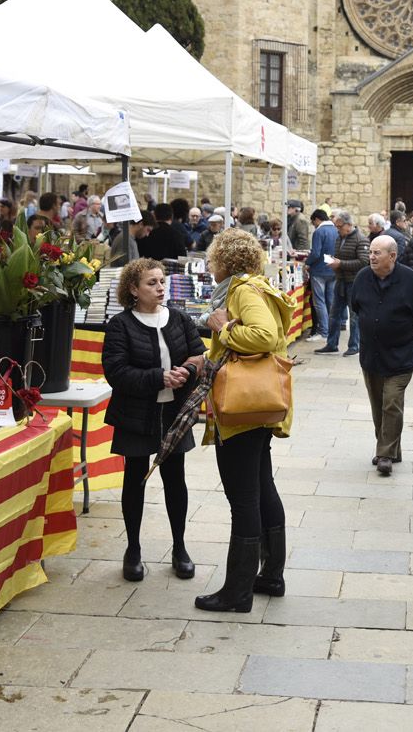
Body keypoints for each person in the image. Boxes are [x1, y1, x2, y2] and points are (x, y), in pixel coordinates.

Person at [195, 228, 295, 612]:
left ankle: (237, 592)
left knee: (244, 498)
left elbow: (264, 336)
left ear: (224, 260)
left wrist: (223, 328)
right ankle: (271, 575)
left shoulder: (241, 291)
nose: (209, 264)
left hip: (242, 407)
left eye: (212, 258)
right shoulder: (258, 286)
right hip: (257, 404)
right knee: (261, 486)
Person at [102, 257, 206, 581]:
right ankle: (133, 549)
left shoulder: (178, 318)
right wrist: (158, 378)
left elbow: (199, 353)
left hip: (174, 412)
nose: (160, 288)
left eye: (162, 281)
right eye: (152, 283)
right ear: (133, 289)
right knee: (134, 480)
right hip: (136, 414)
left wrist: (185, 371)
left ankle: (179, 548)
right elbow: (116, 372)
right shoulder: (121, 324)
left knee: (176, 479)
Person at [348, 235, 413, 476]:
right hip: (371, 356)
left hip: (400, 356)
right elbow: (355, 306)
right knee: (378, 407)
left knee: (392, 402)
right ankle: (393, 448)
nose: (371, 256)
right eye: (371, 252)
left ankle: (384, 454)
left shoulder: (411, 280)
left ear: (392, 256)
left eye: (377, 253)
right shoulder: (362, 277)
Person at [316, 210, 368, 357]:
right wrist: (333, 261)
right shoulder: (339, 238)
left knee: (354, 316)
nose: (337, 229)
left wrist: (340, 264)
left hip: (354, 283)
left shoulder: (360, 239)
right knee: (334, 314)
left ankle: (354, 345)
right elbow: (340, 257)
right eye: (336, 226)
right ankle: (332, 344)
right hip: (340, 281)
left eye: (339, 226)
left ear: (349, 225)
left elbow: (364, 262)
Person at [305, 208, 337, 343]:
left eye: (314, 223)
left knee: (319, 302)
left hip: (319, 271)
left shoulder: (319, 232)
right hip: (333, 269)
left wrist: (307, 263)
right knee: (330, 301)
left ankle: (323, 331)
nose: (314, 225)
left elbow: (316, 252)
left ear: (317, 219)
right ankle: (330, 329)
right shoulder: (335, 230)